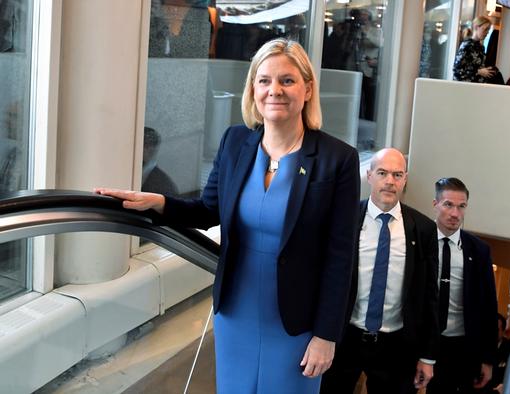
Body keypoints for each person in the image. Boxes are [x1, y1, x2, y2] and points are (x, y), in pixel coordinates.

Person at [96, 38, 360, 394]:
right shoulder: (236, 142)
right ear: (252, 88)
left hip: (298, 323)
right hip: (236, 312)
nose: (274, 91)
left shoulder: (337, 159)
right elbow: (208, 210)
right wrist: (158, 202)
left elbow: (340, 257)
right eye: (264, 80)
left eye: (287, 80)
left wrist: (327, 335)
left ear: (308, 88)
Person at [320, 148, 439, 394]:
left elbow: (429, 297)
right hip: (344, 338)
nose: (389, 181)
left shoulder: (424, 229)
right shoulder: (344, 218)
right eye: (382, 173)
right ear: (369, 175)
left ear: (405, 179)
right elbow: (322, 279)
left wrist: (427, 357)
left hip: (396, 345)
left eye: (397, 175)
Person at [427, 177, 498, 394]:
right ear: (435, 204)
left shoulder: (479, 250)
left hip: (461, 346)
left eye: (461, 206)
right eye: (448, 204)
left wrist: (488, 359)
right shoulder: (420, 241)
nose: (455, 214)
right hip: (424, 339)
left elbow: (488, 305)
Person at [453, 16, 496, 83]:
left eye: (488, 30)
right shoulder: (466, 45)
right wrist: (479, 72)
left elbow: (479, 66)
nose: (487, 33)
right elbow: (457, 70)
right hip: (467, 88)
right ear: (476, 27)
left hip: (478, 87)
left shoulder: (481, 47)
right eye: (485, 29)